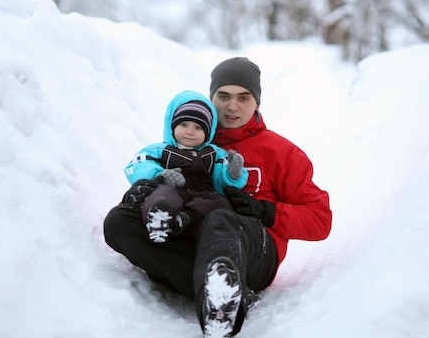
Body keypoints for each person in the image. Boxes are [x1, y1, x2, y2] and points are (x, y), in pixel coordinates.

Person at [104, 57, 332, 337]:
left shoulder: (283, 153)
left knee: (220, 218)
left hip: (253, 250)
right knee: (118, 222)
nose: (232, 106)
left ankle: (222, 304)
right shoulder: (192, 137)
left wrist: (264, 211)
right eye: (224, 96)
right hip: (189, 232)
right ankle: (224, 292)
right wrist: (141, 194)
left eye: (243, 97)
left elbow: (320, 220)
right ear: (212, 98)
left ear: (257, 102)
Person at [124, 90, 248, 243]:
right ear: (173, 125)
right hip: (171, 191)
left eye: (198, 128)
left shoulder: (214, 154)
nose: (190, 132)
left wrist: (232, 175)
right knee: (162, 193)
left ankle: (183, 220)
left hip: (202, 196)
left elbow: (221, 183)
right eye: (184, 125)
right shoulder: (160, 150)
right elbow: (137, 165)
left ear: (208, 132)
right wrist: (160, 175)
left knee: (221, 203)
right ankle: (159, 215)